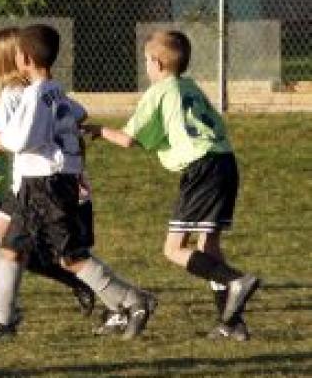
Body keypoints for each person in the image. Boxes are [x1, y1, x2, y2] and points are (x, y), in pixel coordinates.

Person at [0, 24, 156, 340]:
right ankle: (1, 321)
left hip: (46, 184)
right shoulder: (55, 91)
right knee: (11, 248)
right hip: (37, 184)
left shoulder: (34, 95)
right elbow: (72, 117)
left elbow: (19, 142)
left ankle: (133, 299)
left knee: (70, 257)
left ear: (24, 58)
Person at [83, 30, 260, 341]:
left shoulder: (159, 91)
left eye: (146, 62)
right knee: (209, 246)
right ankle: (231, 323)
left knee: (174, 249)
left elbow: (128, 139)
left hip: (200, 167)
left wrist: (95, 130)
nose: (146, 68)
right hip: (224, 161)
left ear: (157, 63)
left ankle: (235, 280)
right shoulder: (190, 88)